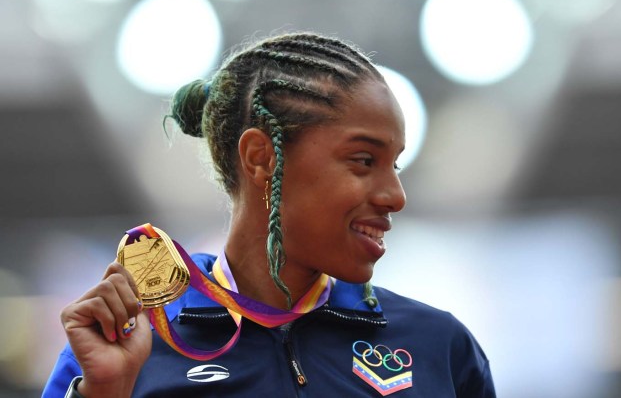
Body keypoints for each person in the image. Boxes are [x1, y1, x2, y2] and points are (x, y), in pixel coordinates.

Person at [43, 31, 495, 397]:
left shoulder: (439, 346)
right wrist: (104, 393)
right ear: (261, 157)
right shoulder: (124, 345)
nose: (395, 197)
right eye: (363, 161)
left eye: (393, 165)